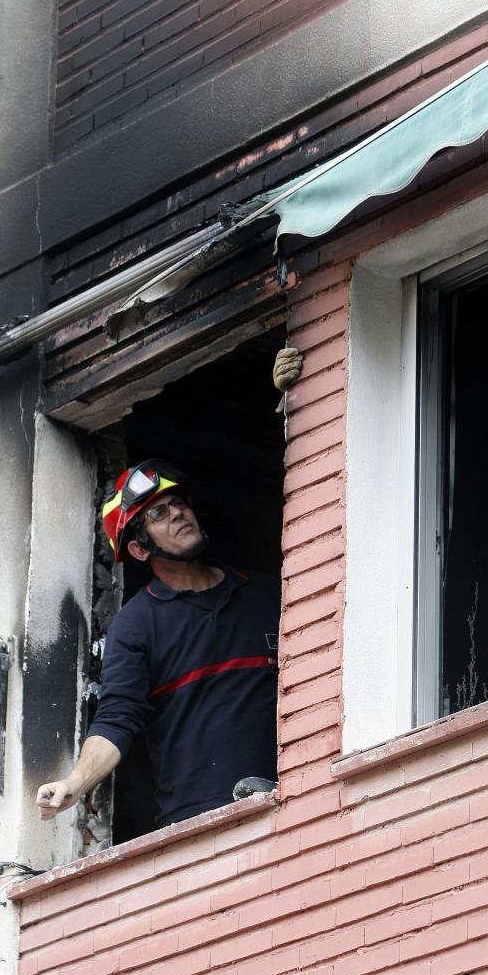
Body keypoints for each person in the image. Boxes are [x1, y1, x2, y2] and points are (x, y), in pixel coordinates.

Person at [36, 349, 303, 829]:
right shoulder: (138, 626)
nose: (178, 512)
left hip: (294, 803)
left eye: (177, 502)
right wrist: (75, 783)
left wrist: (299, 399)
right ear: (138, 551)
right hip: (198, 828)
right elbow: (116, 719)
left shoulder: (268, 594)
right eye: (157, 514)